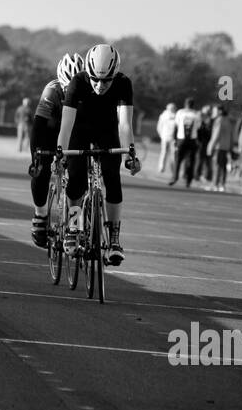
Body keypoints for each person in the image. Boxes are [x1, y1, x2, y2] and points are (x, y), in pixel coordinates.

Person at [56, 43, 140, 265]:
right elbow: (66, 124)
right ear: (88, 73)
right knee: (75, 179)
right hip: (79, 130)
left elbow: (124, 124)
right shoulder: (77, 83)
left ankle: (114, 239)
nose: (100, 85)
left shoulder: (123, 84)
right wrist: (60, 153)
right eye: (95, 79)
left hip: (108, 131)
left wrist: (130, 154)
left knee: (113, 177)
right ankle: (73, 228)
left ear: (115, 75)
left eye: (106, 81)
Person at [29, 52, 84, 247]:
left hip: (75, 134)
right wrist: (36, 156)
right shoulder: (51, 91)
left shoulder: (87, 89)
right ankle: (41, 215)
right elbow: (38, 126)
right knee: (41, 172)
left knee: (79, 176)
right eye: (67, 89)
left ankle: (73, 224)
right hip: (50, 133)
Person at [169, 97, 201, 188]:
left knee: (178, 159)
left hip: (181, 139)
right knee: (190, 161)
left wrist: (174, 139)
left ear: (185, 104)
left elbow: (176, 126)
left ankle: (174, 177)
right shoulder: (196, 114)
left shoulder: (180, 112)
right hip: (192, 140)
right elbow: (198, 128)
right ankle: (188, 180)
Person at [207, 105, 234, 192]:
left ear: (219, 111)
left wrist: (211, 145)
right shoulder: (228, 121)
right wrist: (231, 146)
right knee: (223, 166)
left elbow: (216, 134)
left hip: (218, 146)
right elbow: (231, 135)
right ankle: (222, 184)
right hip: (225, 146)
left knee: (217, 165)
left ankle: (215, 184)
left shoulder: (219, 120)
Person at [157, 102, 178, 173]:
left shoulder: (176, 116)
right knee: (164, 153)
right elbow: (159, 126)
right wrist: (161, 135)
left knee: (173, 154)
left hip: (172, 138)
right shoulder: (163, 115)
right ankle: (161, 167)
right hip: (165, 137)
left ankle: (172, 169)